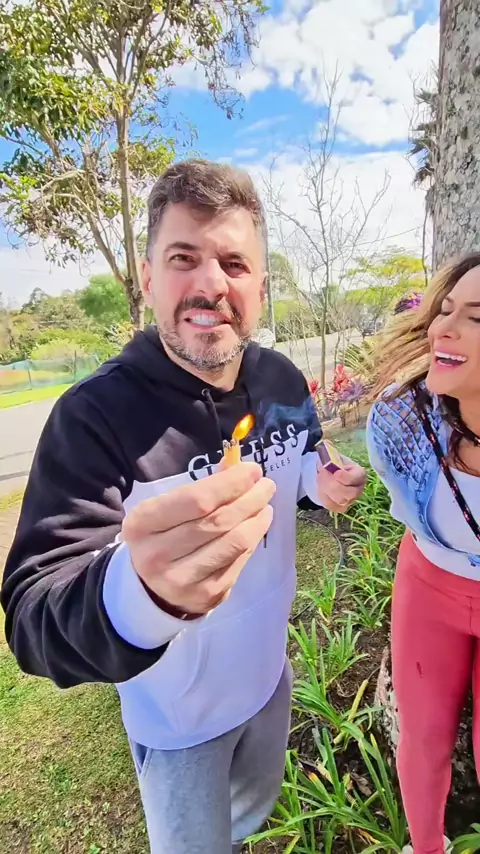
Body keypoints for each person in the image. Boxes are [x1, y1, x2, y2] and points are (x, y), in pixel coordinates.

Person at [1, 159, 366, 854]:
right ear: (147, 279)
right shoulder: (93, 416)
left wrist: (321, 484)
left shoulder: (283, 378)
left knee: (251, 823)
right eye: (183, 258)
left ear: (261, 285)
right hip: (177, 725)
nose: (211, 283)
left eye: (234, 262)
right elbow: (32, 614)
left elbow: (303, 460)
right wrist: (140, 594)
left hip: (269, 680)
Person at [367, 252, 480, 854]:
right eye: (445, 310)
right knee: (424, 736)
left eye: (475, 317)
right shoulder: (401, 418)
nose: (444, 328)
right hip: (429, 584)